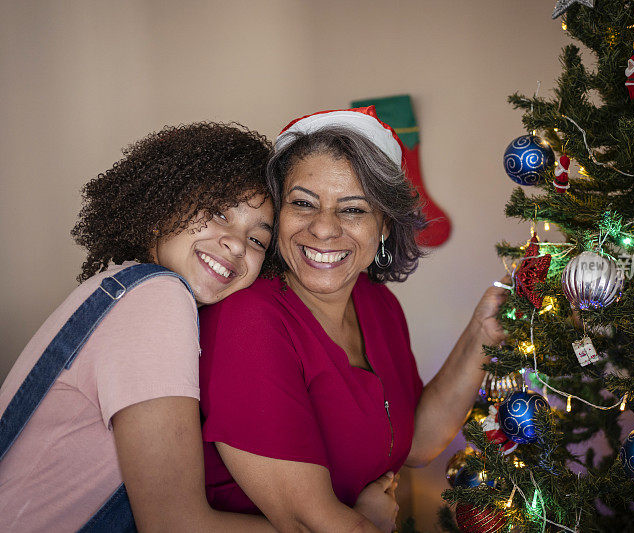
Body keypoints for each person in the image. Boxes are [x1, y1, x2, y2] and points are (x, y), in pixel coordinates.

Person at [199, 107, 508, 532]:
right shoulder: (248, 320)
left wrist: (481, 332)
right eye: (303, 203)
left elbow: (414, 442)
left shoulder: (377, 303)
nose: (324, 229)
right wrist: (368, 522)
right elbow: (309, 523)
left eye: (353, 210)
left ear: (384, 225)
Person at [0, 122, 282, 532]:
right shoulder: (157, 298)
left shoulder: (124, 288)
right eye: (219, 213)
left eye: (258, 240)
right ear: (165, 202)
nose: (237, 244)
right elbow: (176, 525)